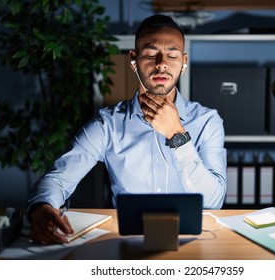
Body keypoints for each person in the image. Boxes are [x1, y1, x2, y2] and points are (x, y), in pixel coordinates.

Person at [27, 14, 227, 244]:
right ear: (133, 60)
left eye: (172, 55)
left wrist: (177, 134)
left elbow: (214, 201)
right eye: (151, 54)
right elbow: (57, 180)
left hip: (194, 241)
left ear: (183, 63)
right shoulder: (107, 125)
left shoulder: (208, 121)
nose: (161, 63)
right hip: (129, 242)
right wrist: (40, 207)